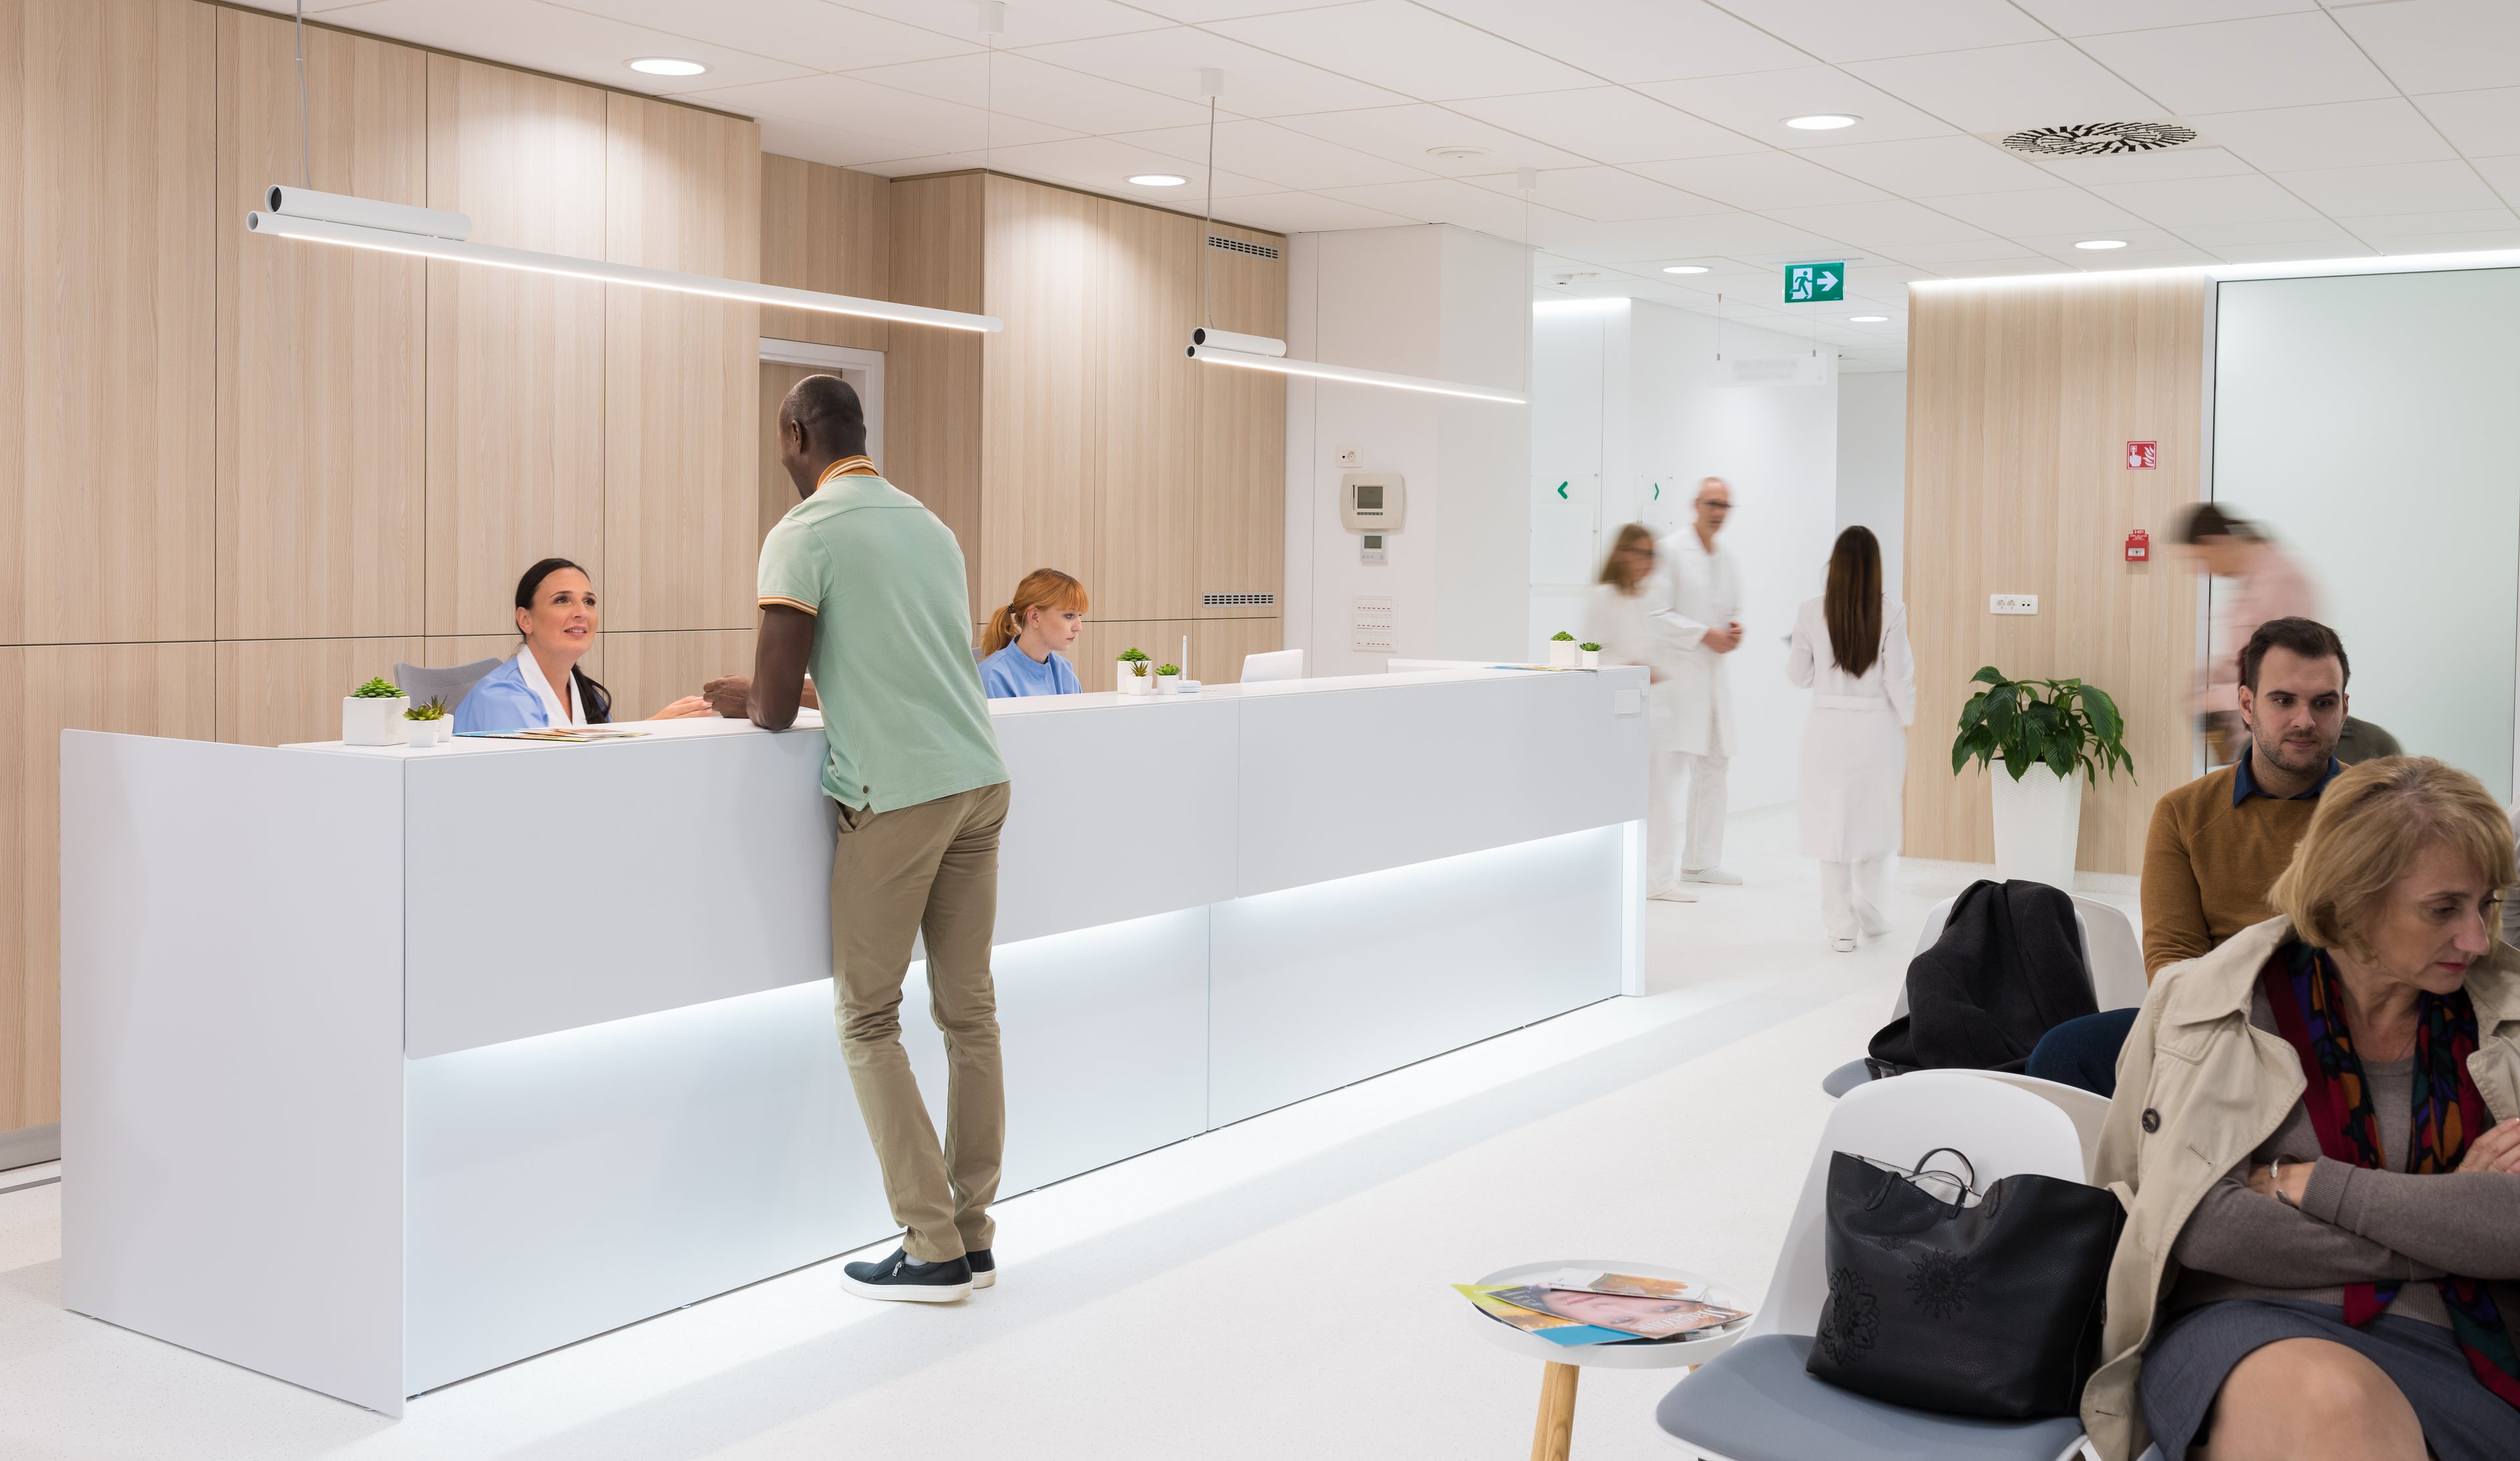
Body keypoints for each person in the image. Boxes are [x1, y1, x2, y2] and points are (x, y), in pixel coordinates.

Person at [2082, 757, 2520, 1461]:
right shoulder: (2211, 1009)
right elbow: (2205, 1227)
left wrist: (2310, 1183)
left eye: (2486, 903)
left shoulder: (2505, 1019)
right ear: (2351, 899)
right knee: (2329, 1404)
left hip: (2466, 1343)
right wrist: (2448, 1216)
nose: (2476, 937)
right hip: (2242, 1318)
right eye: (2444, 909)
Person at [705, 375, 1011, 1304]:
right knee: (970, 1012)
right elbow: (901, 669)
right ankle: (973, 1230)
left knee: (868, 1017)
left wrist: (741, 695)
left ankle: (930, 1247)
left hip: (900, 795)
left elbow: (767, 707)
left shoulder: (804, 533)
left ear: (795, 434)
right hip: (981, 781)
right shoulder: (930, 524)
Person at [2028, 618, 2351, 1095]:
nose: (2304, 720)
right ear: (2246, 704)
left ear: (2344, 708)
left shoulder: (2379, 812)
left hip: (2344, 1026)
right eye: (2283, 700)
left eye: (2323, 703)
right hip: (2218, 1023)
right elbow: (2172, 965)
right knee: (2063, 1053)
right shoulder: (2184, 812)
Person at [1786, 527, 1914, 953]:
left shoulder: (1809, 612)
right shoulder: (1891, 612)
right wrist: (1910, 721)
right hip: (1875, 728)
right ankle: (1870, 908)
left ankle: (1841, 927)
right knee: (1875, 818)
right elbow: (1900, 680)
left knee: (1831, 825)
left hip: (1827, 730)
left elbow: (1798, 675)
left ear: (1834, 565)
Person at [452, 557, 710, 733]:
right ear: (525, 619)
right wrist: (648, 730)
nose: (581, 612)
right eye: (562, 600)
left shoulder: (589, 698)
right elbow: (541, 786)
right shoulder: (500, 699)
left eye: (589, 602)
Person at [1643, 478, 1745, 888]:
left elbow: (1729, 612)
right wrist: (1706, 634)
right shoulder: (1670, 551)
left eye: (1725, 506)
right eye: (1712, 503)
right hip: (1677, 683)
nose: (1718, 512)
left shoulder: (1726, 558)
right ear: (1695, 505)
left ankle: (1701, 861)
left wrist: (1732, 632)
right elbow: (1655, 614)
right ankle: (1652, 870)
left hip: (1712, 681)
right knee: (1665, 776)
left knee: (1716, 766)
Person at [1585, 524, 1694, 900]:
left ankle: (1659, 880)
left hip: (1651, 711)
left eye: (1652, 555)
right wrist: (1628, 666)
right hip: (1620, 715)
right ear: (1622, 554)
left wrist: (1656, 671)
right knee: (1625, 799)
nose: (1647, 562)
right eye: (1641, 553)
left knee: (1660, 799)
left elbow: (1655, 651)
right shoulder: (1603, 598)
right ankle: (1621, 876)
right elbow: (1589, 653)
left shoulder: (1646, 600)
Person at [2179, 504, 2320, 765]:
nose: (2205, 570)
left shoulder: (2278, 580)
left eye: (2203, 559)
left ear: (2217, 542)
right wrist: (2212, 677)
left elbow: (2287, 674)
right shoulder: (2250, 580)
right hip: (2253, 737)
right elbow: (2249, 655)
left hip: (2284, 739)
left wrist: (2214, 698)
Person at [976, 569, 1088, 699]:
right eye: (1069, 616)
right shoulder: (993, 676)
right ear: (1035, 617)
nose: (1079, 627)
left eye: (1079, 616)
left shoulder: (1065, 670)